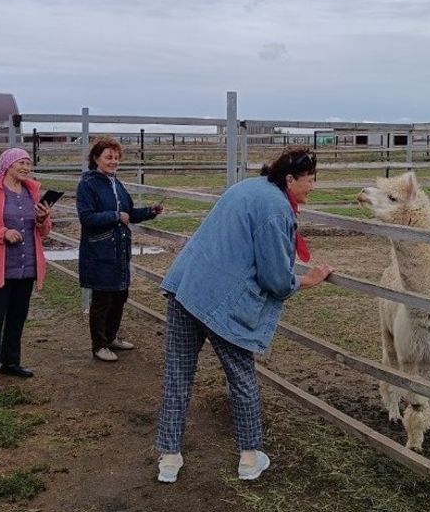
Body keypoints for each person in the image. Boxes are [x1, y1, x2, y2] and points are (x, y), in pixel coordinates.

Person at [154, 145, 333, 483]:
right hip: (223, 301)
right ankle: (250, 458)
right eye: (310, 179)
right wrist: (306, 280)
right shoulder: (277, 208)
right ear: (291, 179)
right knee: (241, 378)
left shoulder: (246, 187)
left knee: (178, 374)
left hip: (187, 286)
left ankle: (169, 458)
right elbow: (276, 278)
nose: (313, 186)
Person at [0, 148, 53, 393]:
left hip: (25, 269)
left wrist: (43, 219)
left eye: (28, 163)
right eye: (21, 163)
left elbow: (43, 232)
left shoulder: (31, 192)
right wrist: (2, 233)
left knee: (16, 318)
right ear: (7, 165)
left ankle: (11, 362)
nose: (26, 167)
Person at [76, 136, 163, 362]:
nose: (113, 161)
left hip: (119, 249)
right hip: (100, 250)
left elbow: (129, 213)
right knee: (102, 297)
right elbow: (86, 217)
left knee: (119, 295)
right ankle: (99, 344)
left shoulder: (117, 184)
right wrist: (115, 216)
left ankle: (111, 336)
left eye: (116, 157)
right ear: (96, 158)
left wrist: (150, 212)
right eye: (108, 157)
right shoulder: (88, 184)